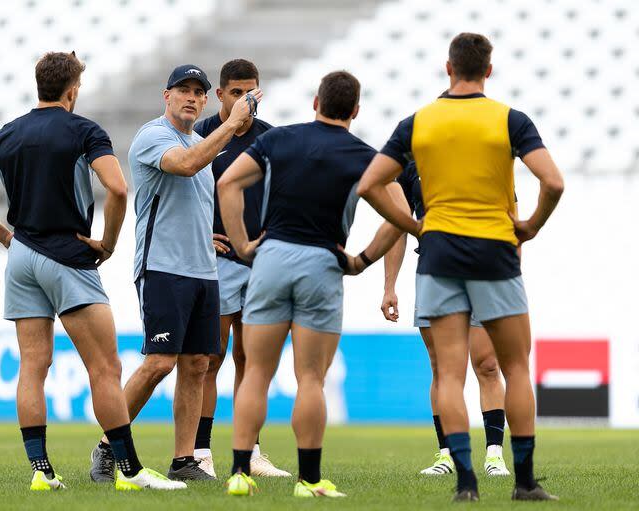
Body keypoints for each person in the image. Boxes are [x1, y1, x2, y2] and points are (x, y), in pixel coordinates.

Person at [0, 51, 185, 492]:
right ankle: (130, 472)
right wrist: (108, 244)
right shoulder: (84, 130)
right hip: (67, 254)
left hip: (21, 257)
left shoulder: (8, 133)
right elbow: (117, 187)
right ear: (72, 90)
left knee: (33, 367)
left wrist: (6, 238)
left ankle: (41, 471)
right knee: (104, 367)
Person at [357, 33, 564, 502]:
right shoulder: (510, 120)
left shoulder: (418, 123)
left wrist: (415, 225)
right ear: (488, 70)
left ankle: (466, 482)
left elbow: (370, 184)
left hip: (438, 256)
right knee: (514, 368)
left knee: (448, 374)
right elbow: (552, 181)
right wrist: (529, 225)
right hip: (494, 252)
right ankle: (525, 482)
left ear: (447, 69)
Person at [218, 70, 406, 498]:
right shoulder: (363, 156)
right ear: (355, 111)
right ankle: (308, 480)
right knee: (310, 379)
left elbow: (227, 182)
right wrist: (361, 260)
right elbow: (401, 214)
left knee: (256, 374)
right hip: (322, 263)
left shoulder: (279, 140)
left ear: (315, 102)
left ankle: (239, 473)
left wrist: (244, 246)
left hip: (271, 260)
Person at [88, 64, 262, 482]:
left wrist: (206, 236)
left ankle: (185, 459)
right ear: (166, 96)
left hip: (203, 269)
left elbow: (195, 197)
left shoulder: (202, 143)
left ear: (206, 99)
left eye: (198, 92)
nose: (191, 97)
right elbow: (184, 165)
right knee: (160, 362)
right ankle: (108, 447)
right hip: (162, 267)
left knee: (198, 363)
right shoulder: (155, 136)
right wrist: (235, 123)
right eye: (182, 89)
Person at [192, 59, 290, 478]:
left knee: (251, 361)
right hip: (214, 262)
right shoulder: (200, 136)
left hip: (259, 263)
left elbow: (285, 194)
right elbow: (180, 194)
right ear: (220, 95)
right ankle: (199, 452)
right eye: (236, 93)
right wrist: (200, 238)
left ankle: (249, 450)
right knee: (208, 360)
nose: (244, 101)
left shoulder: (270, 139)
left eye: (251, 93)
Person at [383, 162, 510, 477]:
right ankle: (448, 455)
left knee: (488, 364)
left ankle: (494, 455)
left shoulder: (486, 154)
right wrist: (389, 286)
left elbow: (508, 215)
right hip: (433, 272)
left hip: (484, 271)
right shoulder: (411, 164)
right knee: (442, 369)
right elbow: (397, 225)